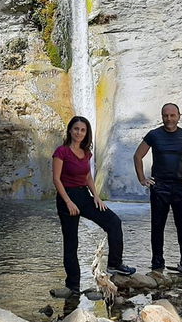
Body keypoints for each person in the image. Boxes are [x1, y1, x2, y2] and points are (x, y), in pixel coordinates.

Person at [54, 116, 135, 294]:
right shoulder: (62, 152)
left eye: (83, 130)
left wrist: (96, 196)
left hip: (84, 195)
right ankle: (72, 285)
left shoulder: (86, 152)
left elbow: (87, 176)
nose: (79, 133)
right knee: (71, 242)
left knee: (113, 222)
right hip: (67, 197)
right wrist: (68, 202)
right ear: (70, 130)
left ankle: (115, 264)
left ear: (86, 132)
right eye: (76, 129)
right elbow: (56, 179)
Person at [133, 103, 182, 273]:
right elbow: (138, 155)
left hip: (179, 186)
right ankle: (157, 263)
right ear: (162, 116)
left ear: (179, 116)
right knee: (157, 226)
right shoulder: (154, 135)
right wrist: (142, 178)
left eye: (172, 115)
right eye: (166, 116)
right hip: (159, 187)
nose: (169, 119)